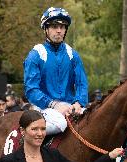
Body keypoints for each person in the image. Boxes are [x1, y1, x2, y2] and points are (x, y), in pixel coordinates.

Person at [0, 110, 123, 162]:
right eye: (34, 129)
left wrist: (109, 156)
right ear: (23, 131)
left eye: (43, 129)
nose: (40, 133)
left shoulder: (53, 156)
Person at [23, 7, 88, 135]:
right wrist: (54, 105)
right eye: (54, 26)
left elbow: (82, 83)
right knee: (60, 123)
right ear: (46, 29)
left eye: (62, 27)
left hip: (70, 106)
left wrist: (79, 102)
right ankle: (26, 138)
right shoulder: (36, 54)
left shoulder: (72, 55)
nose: (59, 31)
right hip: (44, 107)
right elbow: (31, 89)